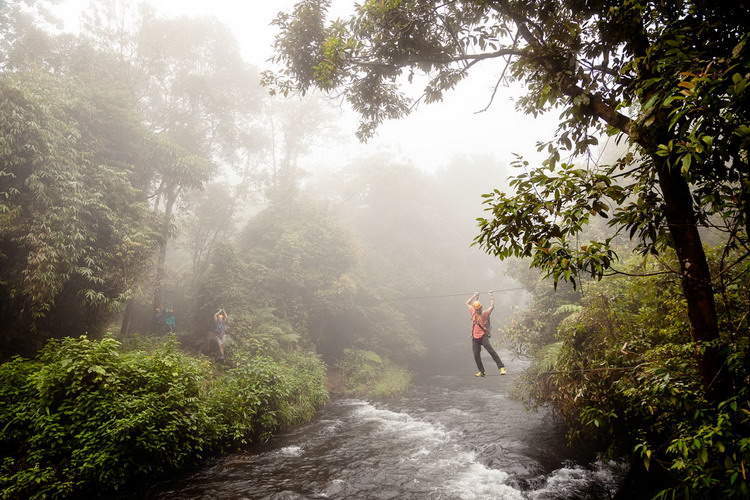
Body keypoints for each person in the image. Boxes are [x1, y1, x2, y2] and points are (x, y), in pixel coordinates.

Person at [466, 291, 506, 377]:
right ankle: (482, 371)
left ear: (481, 308)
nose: (478, 310)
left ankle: (501, 367)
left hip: (483, 336)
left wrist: (491, 296)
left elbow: (492, 306)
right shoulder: (473, 311)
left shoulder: (485, 313)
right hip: (475, 337)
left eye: (479, 309)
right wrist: (474, 295)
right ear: (475, 309)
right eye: (477, 309)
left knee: (491, 351)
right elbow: (467, 303)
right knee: (476, 355)